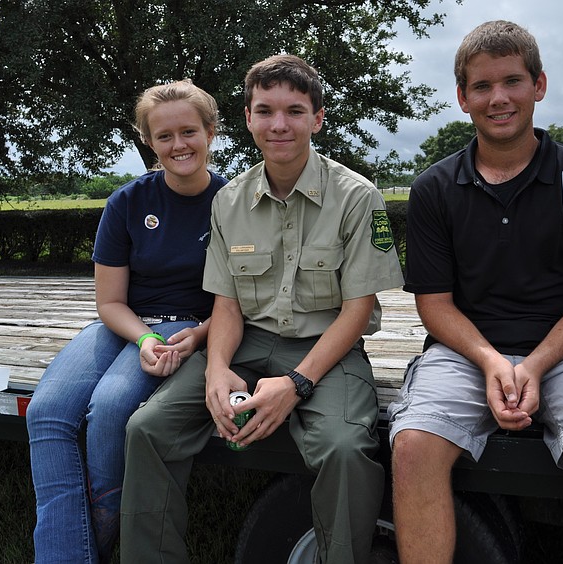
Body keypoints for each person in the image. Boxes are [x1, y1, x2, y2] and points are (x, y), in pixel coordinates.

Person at [387, 20, 563, 564]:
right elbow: (435, 306)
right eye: (482, 86)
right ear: (462, 98)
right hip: (466, 351)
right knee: (414, 446)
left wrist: (535, 365)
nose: (498, 98)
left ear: (539, 85)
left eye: (512, 81)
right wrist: (492, 362)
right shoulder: (433, 189)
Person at [119, 54, 404, 564]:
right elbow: (227, 303)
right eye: (266, 111)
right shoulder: (229, 201)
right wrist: (216, 370)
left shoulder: (357, 198)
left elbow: (358, 310)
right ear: (248, 118)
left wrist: (295, 385)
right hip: (246, 341)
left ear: (317, 118)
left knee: (344, 450)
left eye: (294, 111)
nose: (279, 125)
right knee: (147, 429)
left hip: (327, 348)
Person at [26, 79, 228, 563]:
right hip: (125, 324)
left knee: (112, 407)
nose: (178, 145)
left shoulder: (234, 202)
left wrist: (199, 336)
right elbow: (110, 302)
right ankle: (62, 556)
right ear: (149, 141)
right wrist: (142, 338)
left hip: (187, 324)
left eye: (188, 131)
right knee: (45, 412)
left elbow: (241, 297)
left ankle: (95, 540)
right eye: (164, 136)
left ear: (210, 132)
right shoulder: (128, 202)